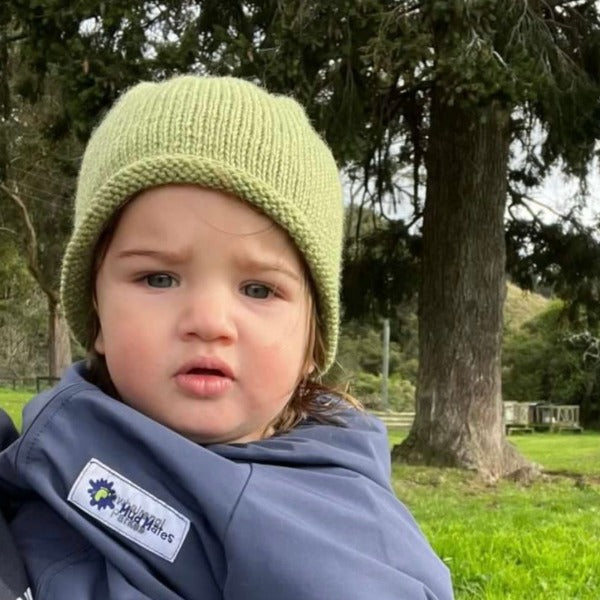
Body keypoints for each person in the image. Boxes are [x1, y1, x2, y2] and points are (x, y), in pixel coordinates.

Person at [0, 75, 453, 599]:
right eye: (158, 279)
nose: (210, 321)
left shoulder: (352, 538)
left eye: (259, 289)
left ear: (312, 343)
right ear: (96, 312)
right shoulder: (42, 456)